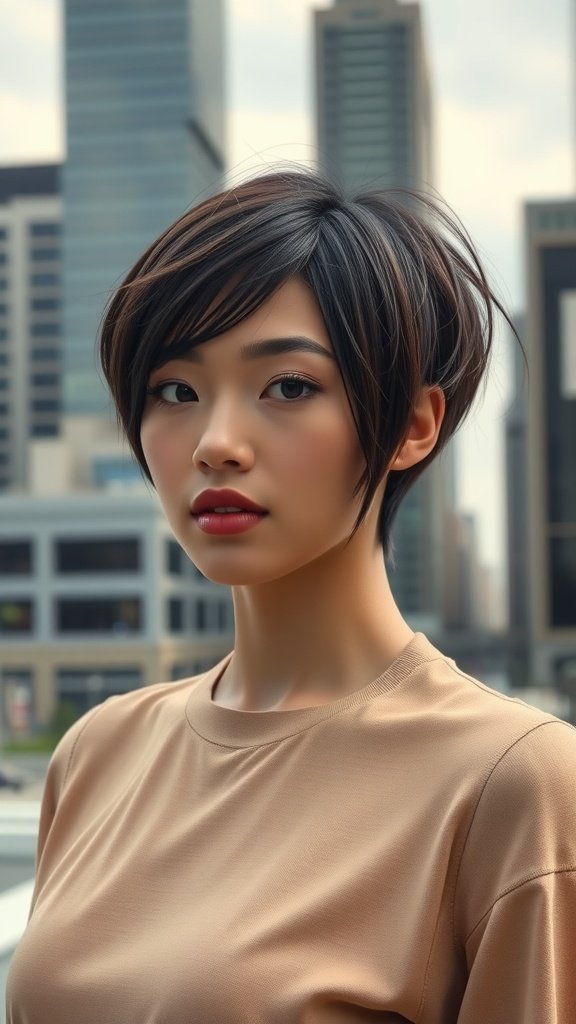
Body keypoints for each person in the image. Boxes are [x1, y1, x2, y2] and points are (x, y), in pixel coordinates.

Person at [6, 169, 576, 1023]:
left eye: (289, 386)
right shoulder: (98, 752)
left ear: (413, 425)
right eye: (175, 391)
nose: (217, 443)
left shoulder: (515, 782)